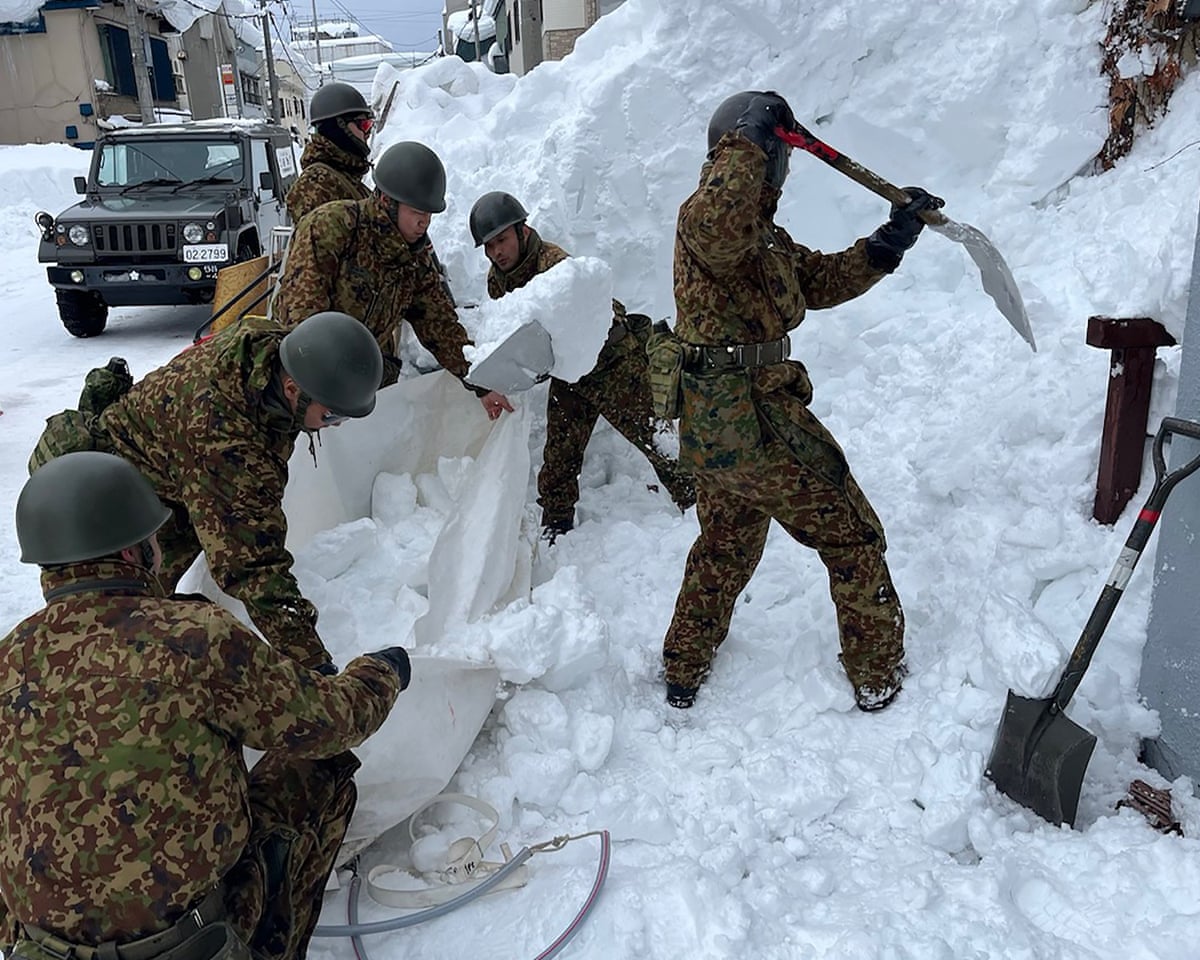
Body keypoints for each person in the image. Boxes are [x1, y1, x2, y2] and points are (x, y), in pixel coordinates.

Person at [0, 451, 409, 960]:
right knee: (316, 766)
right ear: (132, 555)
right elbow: (330, 722)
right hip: (190, 940)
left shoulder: (10, 657)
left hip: (41, 949)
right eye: (153, 539)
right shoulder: (193, 638)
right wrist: (384, 671)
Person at [661, 90, 944, 711]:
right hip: (750, 417)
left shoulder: (763, 238)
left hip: (720, 427)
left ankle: (682, 666)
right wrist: (746, 140)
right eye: (767, 153)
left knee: (726, 542)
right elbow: (716, 224)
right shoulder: (707, 223)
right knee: (851, 532)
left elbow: (816, 280)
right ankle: (876, 671)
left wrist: (888, 242)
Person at [27, 311, 385, 675]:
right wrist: (316, 667)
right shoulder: (227, 438)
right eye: (330, 417)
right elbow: (251, 566)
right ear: (293, 390)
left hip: (173, 471)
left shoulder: (271, 350)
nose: (337, 425)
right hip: (118, 503)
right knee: (121, 621)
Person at [470, 191, 696, 542]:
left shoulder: (556, 265)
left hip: (612, 362)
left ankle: (701, 506)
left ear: (522, 232)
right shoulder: (497, 281)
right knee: (559, 456)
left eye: (501, 240)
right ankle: (557, 526)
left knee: (657, 438)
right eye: (489, 246)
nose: (496, 252)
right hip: (569, 370)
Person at [273, 140, 513, 421]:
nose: (424, 223)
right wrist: (313, 396)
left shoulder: (415, 258)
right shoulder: (332, 227)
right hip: (307, 383)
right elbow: (301, 317)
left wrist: (480, 384)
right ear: (387, 202)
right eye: (416, 212)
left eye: (428, 215)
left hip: (360, 383)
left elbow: (439, 326)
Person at [286, 81, 374, 225]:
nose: (368, 133)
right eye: (364, 125)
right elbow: (318, 244)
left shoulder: (343, 175)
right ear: (339, 126)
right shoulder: (315, 185)